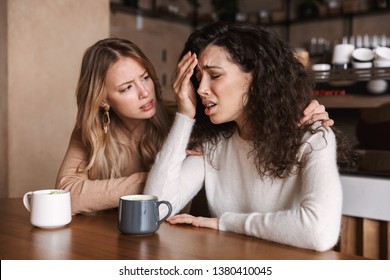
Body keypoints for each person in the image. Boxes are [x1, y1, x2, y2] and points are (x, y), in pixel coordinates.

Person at [56, 37, 334, 215]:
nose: (144, 93)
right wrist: (154, 178)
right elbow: (67, 196)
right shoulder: (91, 130)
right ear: (103, 100)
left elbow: (247, 107)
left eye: (145, 78)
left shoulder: (182, 121)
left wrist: (303, 107)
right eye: (127, 87)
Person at [144, 22, 353, 251]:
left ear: (256, 78)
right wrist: (185, 115)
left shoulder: (313, 137)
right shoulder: (214, 144)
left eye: (214, 75)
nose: (201, 88)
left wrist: (226, 223)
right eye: (198, 77)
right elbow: (153, 210)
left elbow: (319, 232)